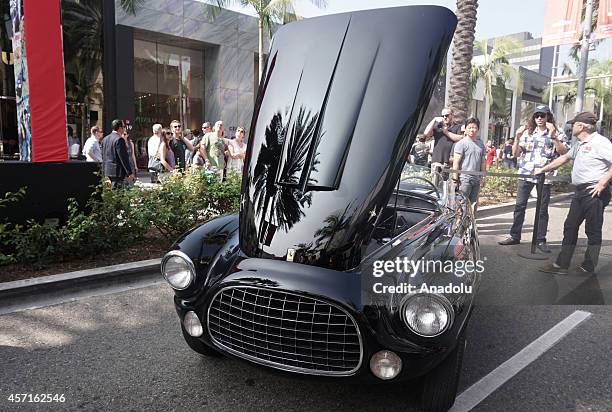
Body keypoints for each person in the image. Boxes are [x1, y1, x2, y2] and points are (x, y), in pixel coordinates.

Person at [536, 112, 612, 274]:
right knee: (570, 226)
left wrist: (602, 183)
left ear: (582, 126)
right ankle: (561, 265)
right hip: (580, 192)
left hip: (594, 191)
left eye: (574, 124)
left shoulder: (600, 142)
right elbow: (564, 158)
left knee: (592, 230)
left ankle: (587, 267)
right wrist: (543, 169)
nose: (571, 127)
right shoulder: (579, 143)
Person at [498, 104, 568, 252]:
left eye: (543, 115)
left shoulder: (557, 131)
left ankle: (540, 240)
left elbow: (564, 153)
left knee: (542, 210)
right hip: (526, 173)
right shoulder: (528, 132)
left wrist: (553, 135)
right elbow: (516, 154)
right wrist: (517, 137)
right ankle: (514, 236)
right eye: (537, 115)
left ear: (549, 116)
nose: (539, 118)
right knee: (519, 207)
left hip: (545, 176)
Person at [452, 117, 486, 211]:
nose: (472, 130)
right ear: (466, 129)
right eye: (470, 127)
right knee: (461, 204)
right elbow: (456, 162)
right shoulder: (461, 143)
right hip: (464, 179)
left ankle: (471, 225)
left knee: (473, 205)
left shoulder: (480, 144)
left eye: (474, 127)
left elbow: (483, 162)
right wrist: (455, 179)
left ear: (478, 129)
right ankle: (459, 224)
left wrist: (483, 177)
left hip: (476, 179)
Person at [424, 108, 463, 183]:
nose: (444, 117)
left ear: (452, 115)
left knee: (448, 187)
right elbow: (426, 134)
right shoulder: (438, 127)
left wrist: (446, 132)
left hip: (450, 163)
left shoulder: (457, 127)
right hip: (437, 161)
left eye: (447, 115)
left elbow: (459, 138)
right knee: (435, 185)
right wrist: (434, 120)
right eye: (442, 116)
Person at [101, 119, 134, 190]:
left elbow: (103, 155)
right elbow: (123, 158)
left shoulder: (105, 139)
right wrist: (129, 172)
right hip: (117, 173)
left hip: (107, 171)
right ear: (120, 128)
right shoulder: (119, 139)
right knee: (117, 193)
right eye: (124, 127)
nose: (124, 129)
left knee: (109, 193)